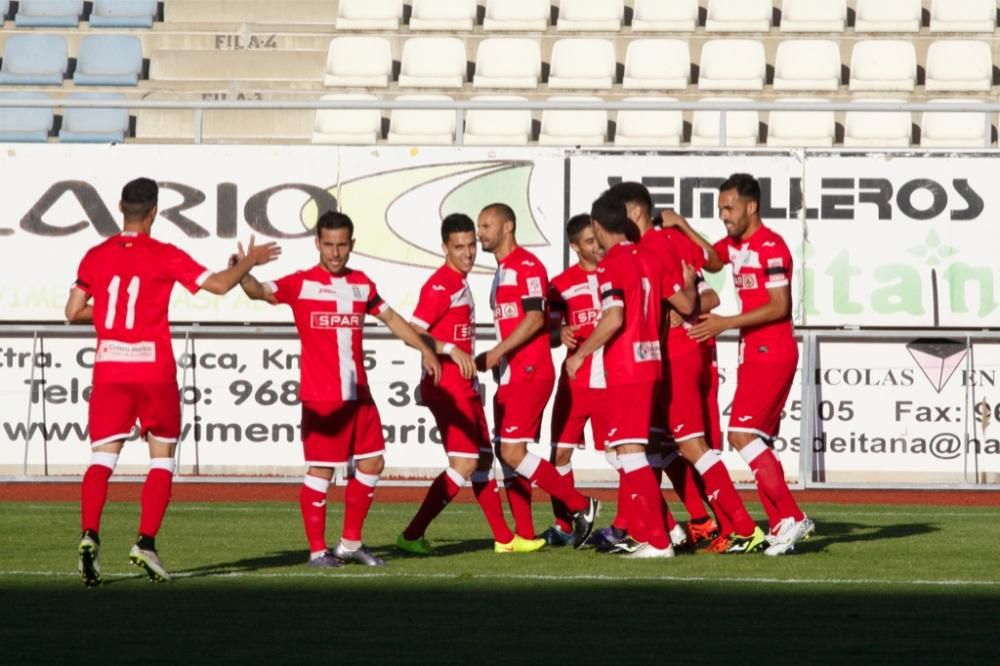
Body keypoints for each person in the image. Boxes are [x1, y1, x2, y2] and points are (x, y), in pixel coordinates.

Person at [66, 177, 281, 586]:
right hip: (152, 370)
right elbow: (218, 286)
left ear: (120, 207)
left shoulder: (95, 255)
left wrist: (110, 314)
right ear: (154, 212)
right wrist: (248, 262)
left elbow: (73, 310)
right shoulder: (164, 254)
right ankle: (145, 542)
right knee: (161, 458)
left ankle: (89, 534)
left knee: (101, 459)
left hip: (110, 367)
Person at [236, 210, 441, 568]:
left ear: (352, 245)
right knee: (321, 470)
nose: (335, 253)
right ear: (317, 244)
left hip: (359, 394)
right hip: (322, 396)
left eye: (341, 245)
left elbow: (392, 319)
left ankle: (350, 544)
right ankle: (317, 551)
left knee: (374, 461)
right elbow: (258, 291)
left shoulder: (362, 284)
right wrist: (243, 270)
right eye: (328, 245)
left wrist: (425, 349)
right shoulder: (301, 283)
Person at [612, 181, 765, 554]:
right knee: (661, 444)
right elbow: (704, 280)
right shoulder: (669, 243)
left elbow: (691, 294)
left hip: (676, 354)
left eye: (619, 217)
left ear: (635, 214)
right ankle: (695, 525)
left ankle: (743, 528)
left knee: (691, 444)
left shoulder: (652, 247)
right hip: (671, 355)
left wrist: (682, 308)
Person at [680, 173, 815, 556]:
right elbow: (712, 259)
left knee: (741, 435)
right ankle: (778, 525)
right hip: (754, 351)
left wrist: (724, 322)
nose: (723, 215)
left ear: (751, 206)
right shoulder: (737, 245)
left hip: (771, 350)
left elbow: (779, 306)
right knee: (755, 441)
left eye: (729, 207)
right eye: (721, 208)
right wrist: (682, 227)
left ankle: (792, 515)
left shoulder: (770, 246)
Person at [396, 214, 542, 555]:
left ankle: (505, 539)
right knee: (464, 463)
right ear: (444, 247)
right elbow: (414, 331)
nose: (467, 253)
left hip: (464, 385)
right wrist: (448, 349)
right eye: (459, 247)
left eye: (471, 245)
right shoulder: (440, 284)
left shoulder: (460, 282)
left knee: (483, 459)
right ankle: (412, 534)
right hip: (446, 386)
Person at [564, 192, 690, 558]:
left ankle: (659, 540)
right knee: (628, 453)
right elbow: (684, 303)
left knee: (629, 454)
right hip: (653, 363)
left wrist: (580, 356)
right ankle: (665, 529)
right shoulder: (649, 257)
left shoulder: (611, 266)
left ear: (600, 227)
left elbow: (614, 318)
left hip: (626, 367)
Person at [476, 203, 600, 549]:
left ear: (508, 227)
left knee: (513, 452)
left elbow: (534, 320)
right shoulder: (501, 272)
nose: (480, 233)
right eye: (479, 226)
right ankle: (525, 535)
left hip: (530, 369)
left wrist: (498, 352)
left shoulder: (527, 265)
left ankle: (580, 505)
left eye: (486, 225)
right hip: (511, 372)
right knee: (508, 452)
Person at [541, 214, 614, 547]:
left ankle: (636, 522)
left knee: (623, 455)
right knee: (559, 455)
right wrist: (561, 333)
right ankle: (567, 523)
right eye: (588, 242)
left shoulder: (617, 274)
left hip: (612, 379)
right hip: (575, 380)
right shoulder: (559, 285)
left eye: (598, 240)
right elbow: (550, 331)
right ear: (574, 246)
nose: (597, 247)